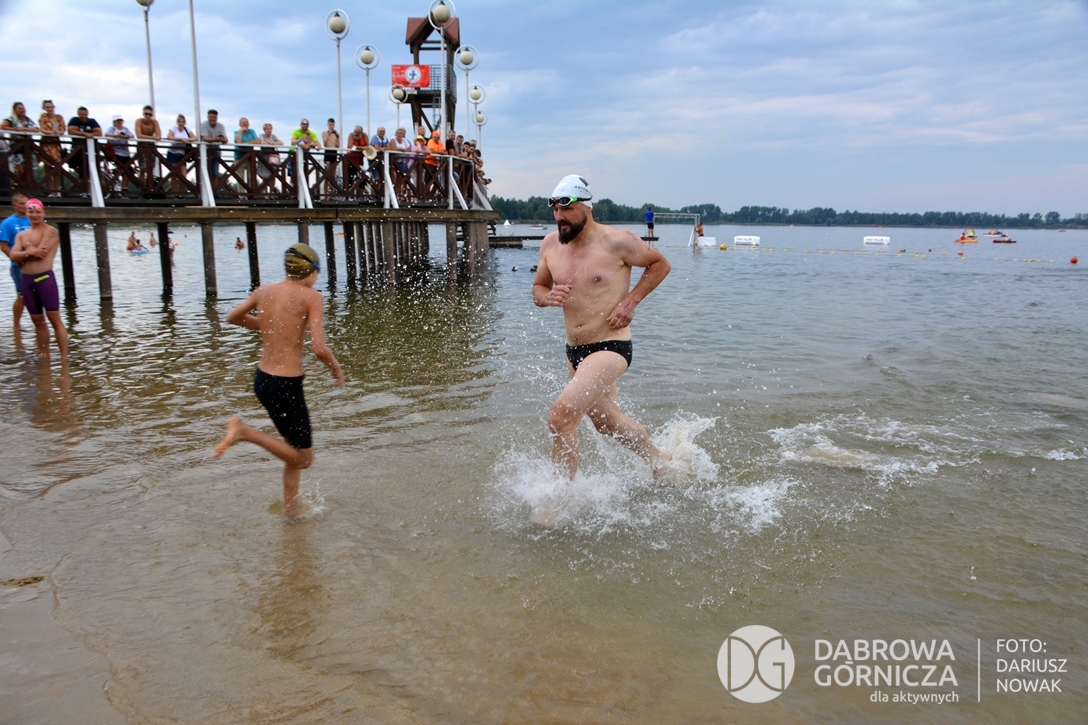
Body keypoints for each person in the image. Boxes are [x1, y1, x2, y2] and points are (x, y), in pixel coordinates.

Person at [531, 175, 672, 502]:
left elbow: (660, 264)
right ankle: (658, 459)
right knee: (607, 424)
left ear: (586, 207)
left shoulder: (617, 241)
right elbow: (538, 288)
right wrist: (547, 297)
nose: (560, 217)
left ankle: (557, 501)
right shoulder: (550, 244)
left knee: (560, 417)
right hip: (574, 351)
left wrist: (631, 301)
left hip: (611, 346)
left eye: (567, 210)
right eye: (555, 210)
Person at [214, 243, 344, 518]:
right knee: (304, 459)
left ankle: (291, 513)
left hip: (263, 381)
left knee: (291, 451)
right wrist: (335, 367)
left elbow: (233, 317)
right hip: (286, 385)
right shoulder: (312, 297)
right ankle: (245, 432)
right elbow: (318, 348)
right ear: (312, 271)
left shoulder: (264, 291)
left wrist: (268, 324)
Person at [9, 198, 69, 363]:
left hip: (44, 278)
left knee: (54, 318)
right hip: (27, 280)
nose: (34, 215)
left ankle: (64, 359)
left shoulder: (50, 231)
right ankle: (45, 358)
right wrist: (30, 252)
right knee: (37, 320)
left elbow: (41, 254)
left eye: (37, 212)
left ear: (43, 212)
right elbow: (13, 255)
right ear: (26, 212)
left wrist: (24, 255)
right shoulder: (22, 235)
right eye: (31, 211)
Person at [0, 193, 29, 330]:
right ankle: (16, 325)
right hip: (18, 265)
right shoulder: (7, 223)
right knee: (22, 295)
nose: (24, 207)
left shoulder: (32, 220)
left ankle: (39, 323)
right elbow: (4, 246)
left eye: (26, 204)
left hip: (35, 264)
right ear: (14, 205)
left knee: (38, 294)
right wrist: (15, 258)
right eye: (21, 204)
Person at [2, 102, 41, 183]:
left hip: (28, 147)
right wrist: (15, 129)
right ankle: (17, 186)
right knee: (20, 171)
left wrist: (24, 129)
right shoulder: (12, 119)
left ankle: (24, 188)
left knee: (28, 171)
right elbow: (3, 126)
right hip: (17, 147)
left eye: (23, 108)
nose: (22, 110)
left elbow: (36, 129)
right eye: (19, 109)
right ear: (15, 110)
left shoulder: (28, 119)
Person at [66, 106, 102, 181]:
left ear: (87, 114)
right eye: (81, 114)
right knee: (82, 170)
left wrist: (90, 134)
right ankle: (84, 186)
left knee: (95, 169)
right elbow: (71, 131)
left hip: (92, 149)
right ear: (78, 114)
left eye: (85, 114)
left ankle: (93, 184)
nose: (83, 116)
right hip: (78, 149)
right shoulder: (74, 120)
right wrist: (85, 134)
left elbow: (99, 132)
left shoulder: (92, 121)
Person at [38, 101, 66, 195]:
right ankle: (51, 191)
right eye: (47, 107)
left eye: (51, 107)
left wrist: (58, 132)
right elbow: (42, 129)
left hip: (56, 144)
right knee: (48, 167)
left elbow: (62, 129)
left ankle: (57, 190)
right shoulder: (43, 116)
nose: (50, 109)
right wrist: (51, 132)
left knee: (57, 167)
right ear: (44, 108)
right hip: (46, 143)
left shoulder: (59, 117)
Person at [166, 114, 196, 192]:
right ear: (177, 122)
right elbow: (169, 137)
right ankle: (174, 193)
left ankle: (180, 193)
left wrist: (187, 139)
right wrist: (180, 139)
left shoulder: (187, 129)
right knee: (173, 175)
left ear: (185, 123)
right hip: (172, 153)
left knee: (183, 175)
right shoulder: (173, 128)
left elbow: (194, 138)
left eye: (183, 122)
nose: (181, 123)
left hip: (182, 154)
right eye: (179, 121)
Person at [104, 114, 134, 185]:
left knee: (129, 171)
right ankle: (121, 186)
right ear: (114, 122)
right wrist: (117, 135)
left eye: (120, 120)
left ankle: (123, 186)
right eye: (117, 121)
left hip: (126, 153)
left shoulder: (125, 129)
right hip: (115, 152)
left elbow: (132, 136)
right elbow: (107, 135)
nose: (119, 122)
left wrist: (126, 136)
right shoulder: (112, 129)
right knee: (127, 170)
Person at [199, 109, 228, 180]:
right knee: (205, 173)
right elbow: (205, 138)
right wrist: (215, 139)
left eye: (214, 117)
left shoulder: (221, 126)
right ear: (207, 117)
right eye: (210, 117)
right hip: (205, 152)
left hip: (216, 152)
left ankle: (214, 187)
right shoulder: (203, 124)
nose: (212, 118)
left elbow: (226, 140)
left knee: (215, 174)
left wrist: (222, 139)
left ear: (217, 118)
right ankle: (205, 186)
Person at [135, 105, 162, 177]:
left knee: (151, 169)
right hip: (141, 145)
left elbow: (159, 136)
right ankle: (141, 184)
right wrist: (153, 137)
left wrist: (151, 138)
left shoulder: (154, 122)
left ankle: (149, 184)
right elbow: (139, 135)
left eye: (150, 114)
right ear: (143, 114)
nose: (148, 116)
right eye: (146, 114)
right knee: (142, 169)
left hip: (151, 146)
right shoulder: (139, 121)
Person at [255, 122, 283, 193]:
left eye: (270, 129)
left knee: (273, 175)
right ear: (264, 130)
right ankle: (266, 193)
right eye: (267, 129)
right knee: (264, 176)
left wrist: (272, 143)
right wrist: (268, 143)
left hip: (272, 158)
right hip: (263, 157)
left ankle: (271, 193)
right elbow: (262, 142)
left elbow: (281, 143)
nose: (269, 130)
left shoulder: (274, 136)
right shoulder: (262, 135)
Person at [233, 117, 258, 191]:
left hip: (250, 158)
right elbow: (238, 141)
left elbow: (257, 141)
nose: (245, 124)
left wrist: (244, 143)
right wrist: (240, 132)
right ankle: (242, 195)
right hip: (239, 157)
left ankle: (251, 194)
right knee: (240, 177)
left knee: (252, 177)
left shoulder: (252, 131)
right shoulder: (236, 132)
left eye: (246, 122)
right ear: (240, 124)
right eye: (243, 122)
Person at [321, 118, 341, 197]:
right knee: (327, 173)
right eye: (330, 124)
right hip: (327, 152)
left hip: (334, 152)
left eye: (333, 125)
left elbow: (338, 145)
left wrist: (337, 137)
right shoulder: (324, 133)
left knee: (332, 175)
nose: (331, 126)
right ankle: (325, 193)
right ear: (327, 125)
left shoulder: (337, 133)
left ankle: (330, 194)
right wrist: (329, 135)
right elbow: (325, 144)